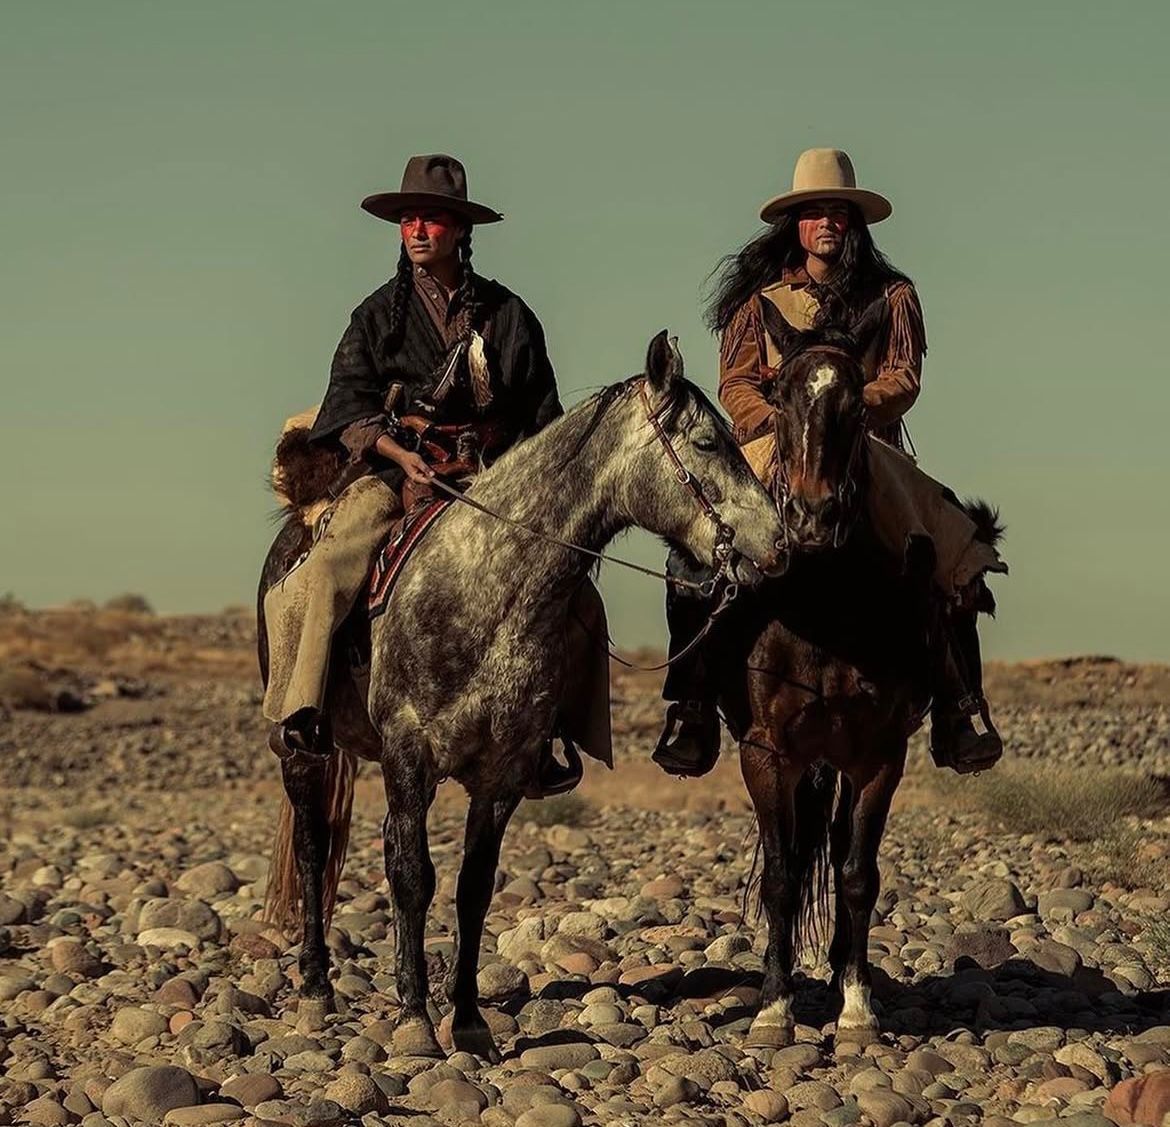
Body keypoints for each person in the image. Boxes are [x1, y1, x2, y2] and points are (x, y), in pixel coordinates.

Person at [654, 148, 1006, 777]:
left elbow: (903, 377)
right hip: (776, 436)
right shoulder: (755, 300)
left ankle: (960, 707)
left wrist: (846, 408)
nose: (827, 224)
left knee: (953, 546)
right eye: (814, 212)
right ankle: (692, 703)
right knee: (695, 553)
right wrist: (784, 419)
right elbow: (734, 383)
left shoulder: (894, 296)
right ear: (794, 223)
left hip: (868, 440)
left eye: (837, 212)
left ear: (854, 222)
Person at [262, 153, 600, 794]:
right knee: (332, 561)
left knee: (577, 591)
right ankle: (303, 711)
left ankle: (550, 732)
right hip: (393, 475)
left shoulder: (509, 316)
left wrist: (516, 480)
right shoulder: (374, 317)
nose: (418, 230)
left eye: (433, 219)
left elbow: (543, 418)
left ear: (460, 231)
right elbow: (344, 408)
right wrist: (396, 453)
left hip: (490, 480)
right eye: (409, 219)